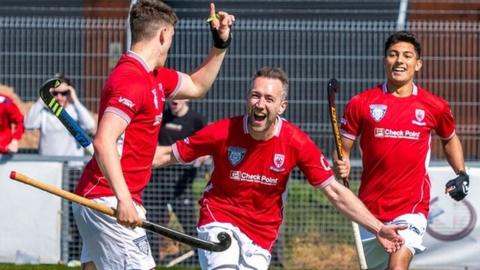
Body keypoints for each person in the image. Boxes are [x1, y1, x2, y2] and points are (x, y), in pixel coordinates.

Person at [153, 67, 406, 270]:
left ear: (282, 106)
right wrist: (117, 163)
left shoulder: (296, 142)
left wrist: (378, 228)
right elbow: (166, 155)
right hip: (219, 220)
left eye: (269, 99)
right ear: (247, 98)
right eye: (255, 95)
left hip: (261, 236)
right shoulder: (223, 132)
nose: (260, 104)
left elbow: (336, 193)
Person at [72, 1, 235, 269]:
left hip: (106, 198)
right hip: (109, 200)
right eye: (171, 37)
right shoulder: (130, 78)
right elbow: (103, 141)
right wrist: (124, 199)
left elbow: (196, 86)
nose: (170, 45)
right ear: (162, 35)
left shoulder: (155, 77)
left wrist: (219, 45)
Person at [334, 31, 469, 270]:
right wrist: (340, 162)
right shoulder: (361, 103)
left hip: (411, 208)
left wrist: (461, 172)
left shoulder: (433, 106)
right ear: (385, 59)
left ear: (417, 64)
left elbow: (449, 139)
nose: (399, 61)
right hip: (369, 210)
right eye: (393, 54)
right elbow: (341, 149)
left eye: (407, 55)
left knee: (397, 266)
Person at [153, 99, 206, 262]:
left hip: (181, 183)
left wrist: (201, 157)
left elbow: (205, 146)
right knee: (152, 222)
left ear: (187, 98)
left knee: (189, 223)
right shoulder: (162, 117)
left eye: (179, 95)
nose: (175, 100)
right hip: (158, 180)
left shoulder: (196, 120)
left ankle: (201, 260)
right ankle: (152, 260)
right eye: (172, 96)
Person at [24, 73, 95, 159]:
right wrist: (43, 98)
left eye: (64, 93)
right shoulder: (45, 113)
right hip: (48, 164)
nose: (59, 97)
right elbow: (28, 124)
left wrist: (75, 100)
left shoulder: (76, 111)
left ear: (69, 93)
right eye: (55, 93)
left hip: (72, 167)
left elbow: (90, 125)